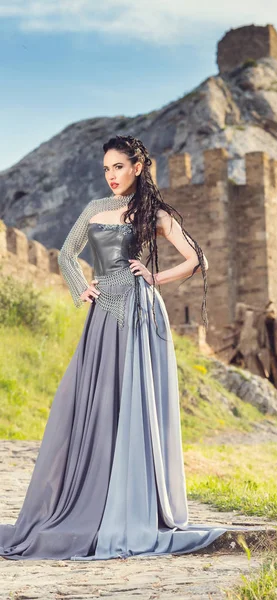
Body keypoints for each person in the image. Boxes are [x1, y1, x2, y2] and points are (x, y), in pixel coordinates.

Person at [0, 135, 228, 560]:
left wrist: (155, 278)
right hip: (104, 312)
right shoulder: (95, 209)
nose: (112, 176)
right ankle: (93, 497)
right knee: (94, 400)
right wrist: (80, 289)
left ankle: (131, 502)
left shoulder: (155, 213)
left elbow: (198, 257)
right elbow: (66, 255)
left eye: (118, 167)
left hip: (140, 313)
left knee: (134, 401)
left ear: (137, 168)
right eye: (106, 169)